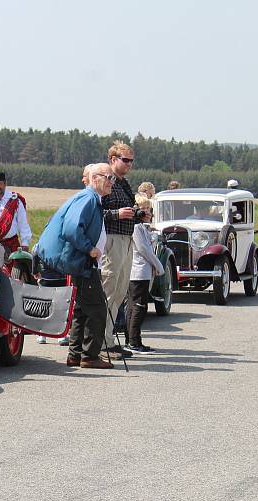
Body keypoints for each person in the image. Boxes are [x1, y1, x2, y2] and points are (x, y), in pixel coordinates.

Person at [36, 163, 115, 369]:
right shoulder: (89, 198)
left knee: (81, 309)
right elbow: (71, 229)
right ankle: (90, 356)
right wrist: (90, 249)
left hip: (81, 263)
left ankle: (75, 355)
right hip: (83, 261)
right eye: (109, 178)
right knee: (97, 308)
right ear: (95, 178)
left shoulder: (91, 199)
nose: (111, 183)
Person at [100, 141, 139, 359]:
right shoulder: (105, 182)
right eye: (125, 160)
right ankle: (101, 341)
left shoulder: (123, 183)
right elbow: (95, 212)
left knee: (120, 291)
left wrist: (138, 215)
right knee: (109, 289)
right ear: (113, 159)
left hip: (126, 238)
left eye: (131, 161)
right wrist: (117, 214)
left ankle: (109, 339)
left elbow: (128, 210)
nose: (129, 165)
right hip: (111, 239)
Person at [125, 194, 164, 354]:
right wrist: (158, 264)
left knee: (136, 306)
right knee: (138, 306)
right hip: (138, 271)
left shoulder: (142, 227)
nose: (147, 212)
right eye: (144, 209)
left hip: (141, 270)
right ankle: (133, 341)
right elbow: (144, 249)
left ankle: (134, 340)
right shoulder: (136, 228)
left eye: (148, 208)